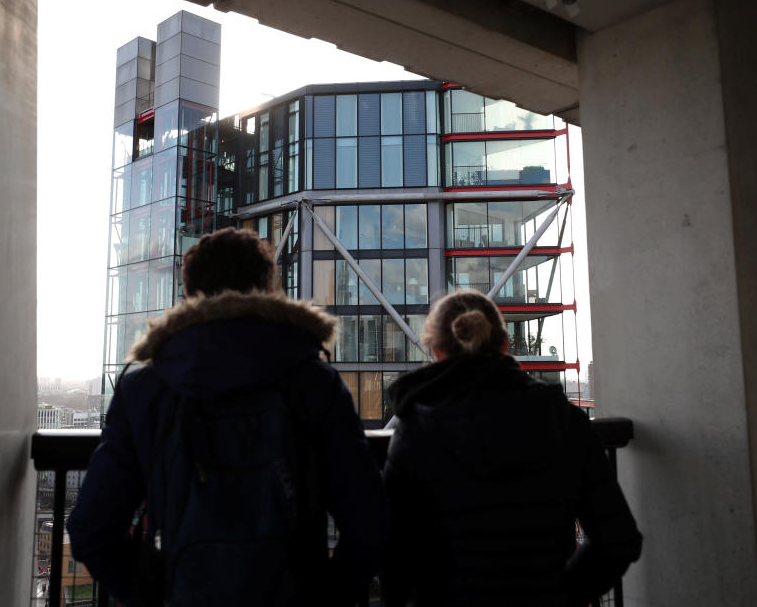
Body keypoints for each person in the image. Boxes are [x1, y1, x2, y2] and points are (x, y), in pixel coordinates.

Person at [68, 227, 389, 606]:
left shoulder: (145, 389)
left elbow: (91, 529)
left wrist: (150, 595)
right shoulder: (314, 381)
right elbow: (370, 525)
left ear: (188, 296)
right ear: (269, 290)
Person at [381, 290, 642, 607]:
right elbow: (619, 540)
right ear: (505, 344)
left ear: (435, 350)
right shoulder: (565, 420)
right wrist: (562, 595)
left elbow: (394, 553)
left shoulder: (415, 429)